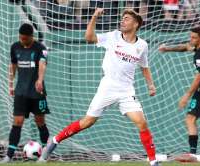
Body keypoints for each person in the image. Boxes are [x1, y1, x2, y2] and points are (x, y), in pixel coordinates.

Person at [39, 8, 159, 166]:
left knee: (142, 122)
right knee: (87, 122)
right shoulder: (113, 36)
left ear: (136, 24)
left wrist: (151, 85)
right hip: (108, 86)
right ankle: (55, 141)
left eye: (127, 18)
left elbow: (144, 66)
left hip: (126, 90)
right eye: (122, 18)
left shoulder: (142, 45)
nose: (123, 20)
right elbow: (89, 37)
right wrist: (95, 16)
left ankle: (154, 162)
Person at [159, 27, 200, 161]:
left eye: (194, 37)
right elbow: (185, 47)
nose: (191, 39)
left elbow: (199, 77)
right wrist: (167, 48)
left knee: (190, 118)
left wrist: (187, 95)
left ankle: (192, 154)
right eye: (190, 36)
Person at [0, 23, 50, 163]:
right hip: (21, 92)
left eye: (25, 39)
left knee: (40, 121)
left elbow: (42, 64)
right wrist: (10, 84)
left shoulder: (40, 48)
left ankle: (46, 154)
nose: (22, 40)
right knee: (17, 121)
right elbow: (13, 65)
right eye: (20, 38)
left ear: (31, 37)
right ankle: (8, 156)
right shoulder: (15, 47)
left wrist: (40, 80)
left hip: (37, 92)